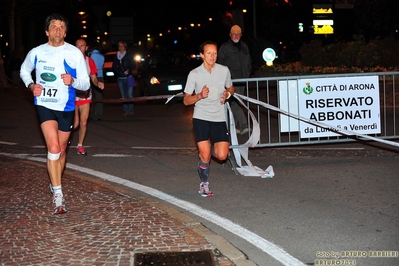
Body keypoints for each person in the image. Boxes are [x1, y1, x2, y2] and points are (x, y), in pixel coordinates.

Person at [19, 13, 90, 214]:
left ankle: (54, 181)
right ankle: (58, 194)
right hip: (44, 104)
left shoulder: (74, 53)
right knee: (52, 146)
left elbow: (85, 83)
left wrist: (73, 81)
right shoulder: (37, 52)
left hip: (66, 107)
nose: (57, 29)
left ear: (65, 32)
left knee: (61, 151)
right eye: (54, 26)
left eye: (61, 26)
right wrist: (31, 84)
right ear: (47, 31)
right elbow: (24, 70)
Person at [183, 40, 234, 197]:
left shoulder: (224, 70)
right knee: (205, 155)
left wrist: (228, 94)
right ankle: (204, 184)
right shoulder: (195, 74)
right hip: (201, 117)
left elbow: (231, 87)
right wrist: (199, 95)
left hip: (218, 117)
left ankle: (205, 151)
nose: (212, 56)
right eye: (209, 53)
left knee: (222, 156)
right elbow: (186, 100)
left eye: (215, 53)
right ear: (202, 55)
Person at [217, 24, 252, 135]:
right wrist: (225, 79)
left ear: (241, 35)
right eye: (234, 34)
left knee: (237, 103)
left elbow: (249, 61)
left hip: (242, 81)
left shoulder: (244, 46)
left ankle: (233, 127)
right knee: (236, 103)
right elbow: (220, 63)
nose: (236, 36)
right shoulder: (225, 48)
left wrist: (248, 72)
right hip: (231, 82)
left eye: (238, 34)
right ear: (230, 35)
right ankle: (244, 125)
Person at [74, 39, 104, 156]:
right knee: (74, 123)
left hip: (85, 95)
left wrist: (98, 83)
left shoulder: (89, 61)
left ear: (86, 48)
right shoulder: (69, 61)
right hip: (71, 95)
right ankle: (63, 141)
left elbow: (94, 78)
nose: (79, 48)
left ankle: (80, 146)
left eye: (82, 46)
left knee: (83, 122)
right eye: (77, 46)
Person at [112, 41, 136, 116]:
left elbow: (134, 64)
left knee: (130, 94)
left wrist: (129, 69)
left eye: (122, 46)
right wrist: (118, 72)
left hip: (130, 77)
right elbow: (113, 66)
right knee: (123, 95)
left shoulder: (129, 55)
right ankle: (126, 110)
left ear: (125, 47)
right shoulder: (116, 55)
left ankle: (131, 110)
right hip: (120, 78)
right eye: (119, 46)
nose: (120, 48)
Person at [89, 42, 105, 121]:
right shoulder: (102, 56)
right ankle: (99, 114)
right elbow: (102, 67)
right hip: (100, 76)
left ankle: (90, 114)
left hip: (92, 76)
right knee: (99, 97)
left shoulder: (90, 55)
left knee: (90, 96)